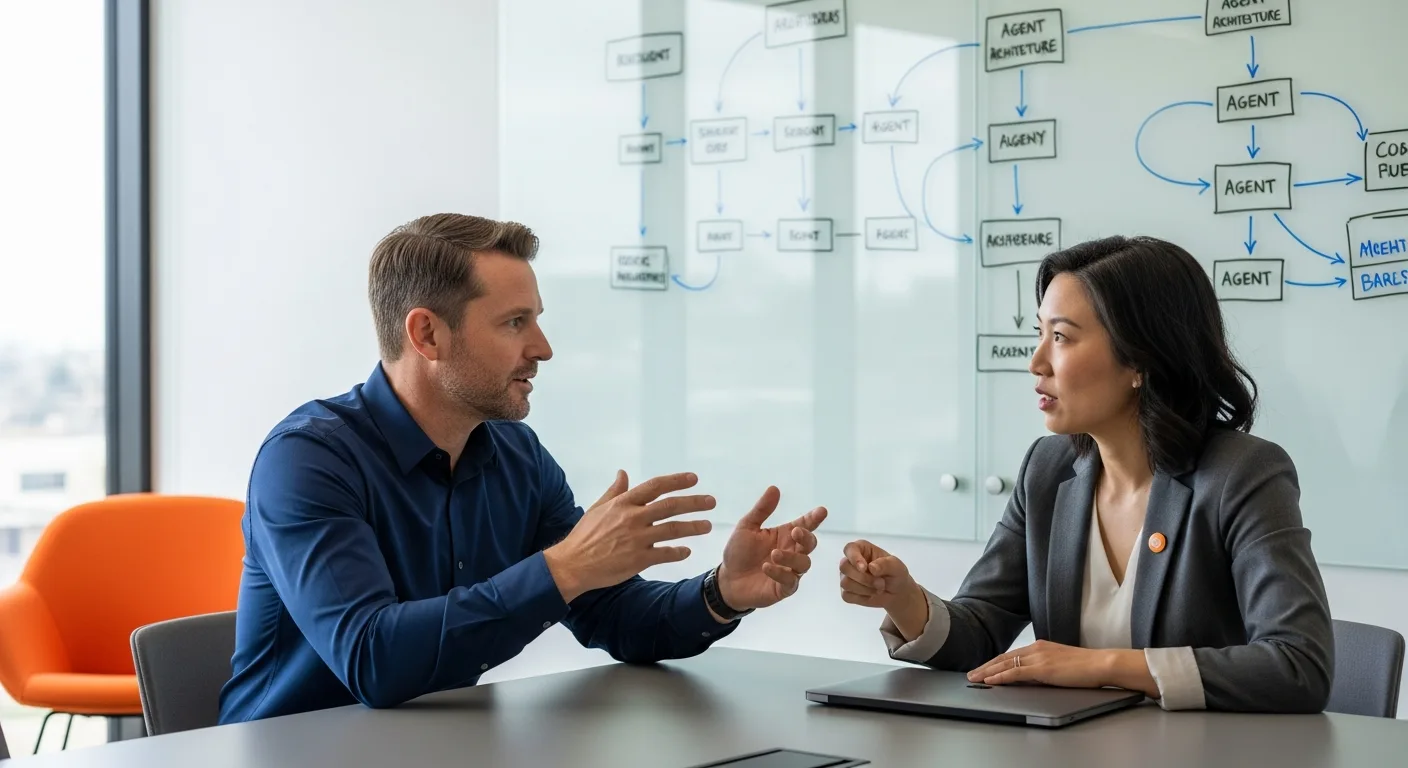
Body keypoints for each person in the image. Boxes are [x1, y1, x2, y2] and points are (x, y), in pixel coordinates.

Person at [218, 214, 827, 723]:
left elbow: (612, 613)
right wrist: (564, 567)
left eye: (536, 318)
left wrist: (722, 593)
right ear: (427, 335)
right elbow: (373, 660)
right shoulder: (307, 460)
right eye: (515, 322)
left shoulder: (517, 455)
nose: (543, 347)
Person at [838, 235, 1334, 713]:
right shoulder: (1046, 470)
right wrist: (905, 600)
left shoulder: (1242, 475)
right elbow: (982, 632)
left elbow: (1298, 665)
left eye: (1060, 337)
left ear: (1140, 360)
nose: (1037, 362)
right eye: (1039, 334)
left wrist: (1100, 666)